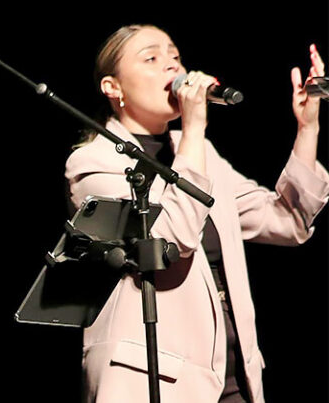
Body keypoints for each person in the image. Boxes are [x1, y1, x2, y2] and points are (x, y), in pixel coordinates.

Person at [66, 24, 329, 402]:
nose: (172, 66)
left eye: (175, 56)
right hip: (149, 381)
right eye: (151, 58)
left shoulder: (199, 153)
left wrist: (307, 127)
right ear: (113, 87)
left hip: (232, 377)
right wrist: (193, 127)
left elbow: (288, 220)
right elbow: (172, 239)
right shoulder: (92, 163)